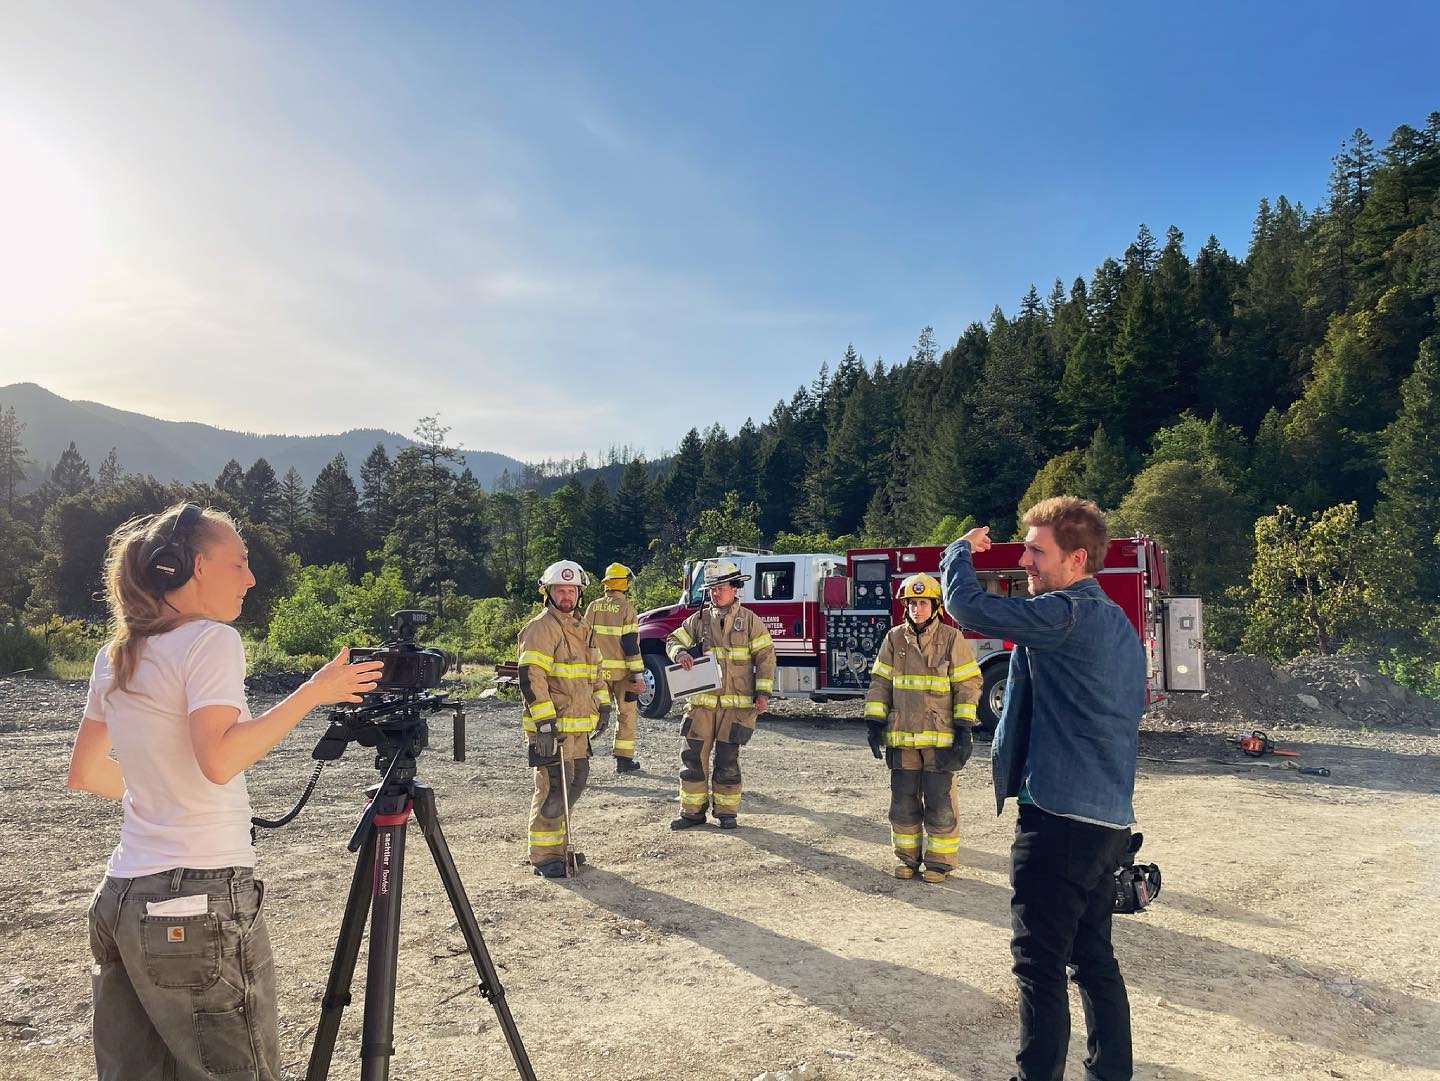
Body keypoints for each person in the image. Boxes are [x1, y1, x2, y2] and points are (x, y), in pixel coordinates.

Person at [65, 502, 383, 1081]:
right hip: (197, 896)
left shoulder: (115, 654)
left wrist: (163, 793)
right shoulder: (209, 640)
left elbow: (85, 772)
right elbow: (219, 759)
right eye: (239, 562)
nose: (251, 577)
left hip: (120, 897)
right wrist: (314, 691)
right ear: (192, 567)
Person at [940, 496, 1145, 1081]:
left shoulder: (1065, 613)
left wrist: (959, 550)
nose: (1023, 560)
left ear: (1076, 559)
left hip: (1058, 820)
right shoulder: (1119, 626)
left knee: (1039, 962)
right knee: (1093, 960)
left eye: (1036, 550)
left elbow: (965, 604)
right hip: (1107, 820)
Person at [863, 572, 982, 883]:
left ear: (936, 606)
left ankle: (939, 862)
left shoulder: (951, 639)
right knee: (902, 802)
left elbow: (968, 684)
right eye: (912, 603)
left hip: (939, 740)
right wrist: (874, 721)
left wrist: (964, 727)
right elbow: (880, 683)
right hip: (902, 737)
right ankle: (906, 859)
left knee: (940, 802)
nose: (917, 609)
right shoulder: (893, 638)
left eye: (923, 603)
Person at [516, 559, 612, 878]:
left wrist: (604, 705)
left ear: (579, 593)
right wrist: (544, 723)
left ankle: (560, 847)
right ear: (549, 592)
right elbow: (531, 676)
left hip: (577, 731)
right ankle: (544, 856)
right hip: (551, 730)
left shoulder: (582, 627)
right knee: (552, 790)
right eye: (561, 589)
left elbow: (594, 672)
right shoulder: (541, 627)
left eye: (572, 590)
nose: (567, 595)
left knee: (575, 783)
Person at [665, 558, 775, 830]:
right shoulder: (699, 619)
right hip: (701, 705)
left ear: (735, 588)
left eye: (721, 587)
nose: (716, 592)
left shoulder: (750, 621)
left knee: (727, 760)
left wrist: (763, 692)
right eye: (712, 588)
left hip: (736, 707)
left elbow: (765, 658)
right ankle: (692, 812)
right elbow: (673, 639)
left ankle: (727, 813)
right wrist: (679, 653)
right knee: (692, 759)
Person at [582, 561, 646, 773]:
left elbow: (583, 638)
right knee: (626, 714)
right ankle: (623, 761)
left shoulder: (593, 607)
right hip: (623, 675)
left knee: (589, 713)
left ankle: (580, 754)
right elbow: (630, 644)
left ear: (606, 584)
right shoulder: (627, 609)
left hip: (596, 673)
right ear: (624, 584)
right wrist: (638, 674)